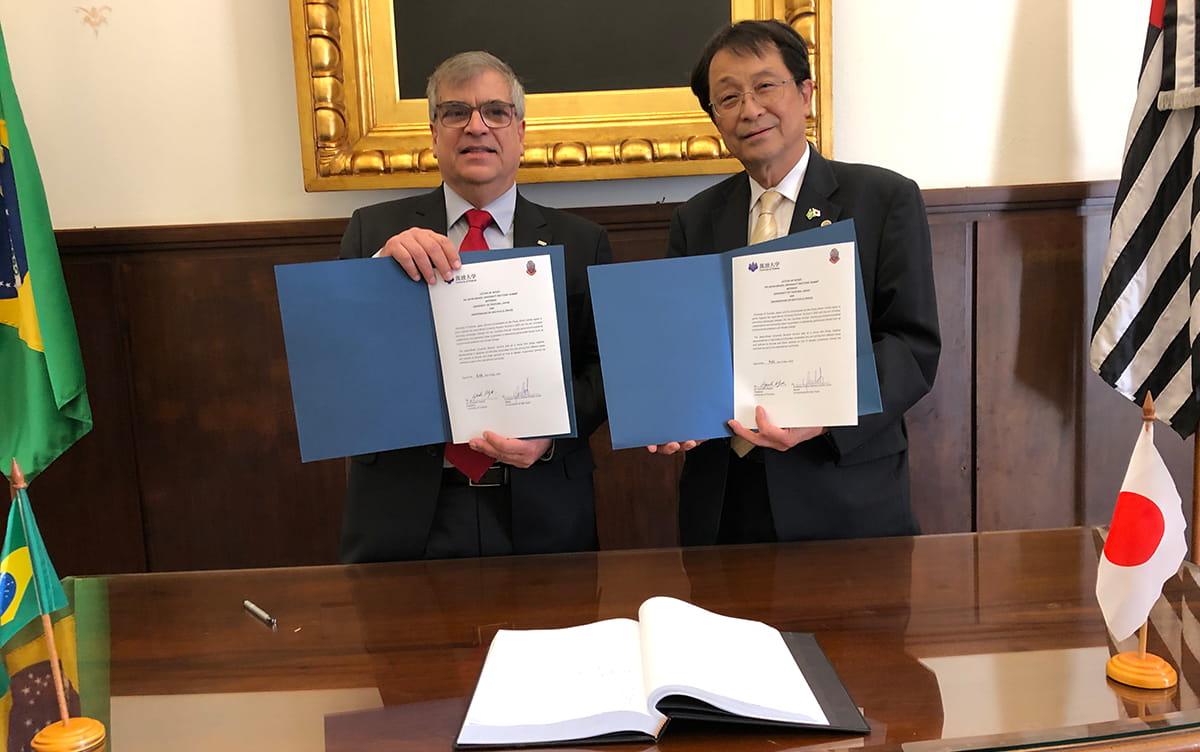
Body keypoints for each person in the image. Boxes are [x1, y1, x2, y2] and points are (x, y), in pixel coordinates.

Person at [652, 20, 940, 545]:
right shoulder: (695, 220)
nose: (750, 109)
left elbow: (910, 347)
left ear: (805, 93)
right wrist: (667, 412)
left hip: (842, 493)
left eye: (765, 86)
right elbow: (684, 352)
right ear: (715, 118)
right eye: (728, 98)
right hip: (724, 504)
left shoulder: (882, 198)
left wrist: (825, 417)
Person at [339, 51, 611, 563]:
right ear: (433, 133)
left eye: (496, 112)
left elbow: (604, 370)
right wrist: (377, 270)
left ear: (521, 132)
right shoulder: (373, 232)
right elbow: (341, 361)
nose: (476, 127)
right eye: (455, 112)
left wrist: (547, 436)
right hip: (404, 509)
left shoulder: (583, 241)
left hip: (543, 504)